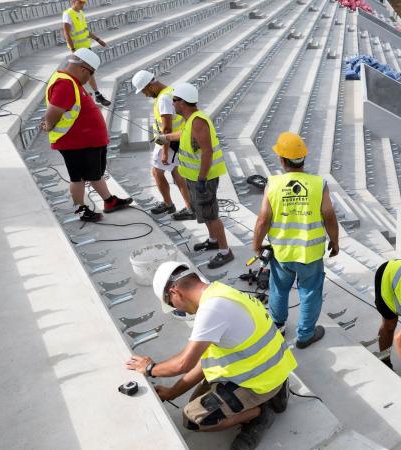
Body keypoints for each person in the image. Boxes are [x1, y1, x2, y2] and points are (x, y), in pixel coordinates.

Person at [127, 261, 297, 450]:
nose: (178, 310)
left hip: (260, 382)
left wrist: (151, 369)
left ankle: (260, 412)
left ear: (175, 292)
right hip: (271, 368)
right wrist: (172, 392)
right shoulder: (221, 291)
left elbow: (183, 364)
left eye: (172, 304)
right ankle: (275, 391)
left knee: (194, 419)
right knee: (197, 405)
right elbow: (203, 361)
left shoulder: (212, 309)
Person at [252, 132, 339, 349]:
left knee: (279, 289)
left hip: (282, 253)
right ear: (303, 158)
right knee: (310, 293)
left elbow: (263, 220)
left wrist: (256, 245)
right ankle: (305, 335)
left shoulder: (273, 184)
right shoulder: (319, 184)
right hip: (310, 254)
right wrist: (335, 241)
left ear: (282, 159)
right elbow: (329, 216)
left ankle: (278, 326)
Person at [41, 48, 132, 221]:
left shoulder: (71, 81)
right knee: (78, 178)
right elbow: (54, 111)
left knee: (94, 174)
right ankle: (81, 209)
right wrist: (49, 125)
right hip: (75, 143)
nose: (90, 79)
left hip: (86, 142)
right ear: (83, 69)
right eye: (90, 74)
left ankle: (109, 201)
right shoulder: (65, 84)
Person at [153, 82, 233, 268]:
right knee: (204, 212)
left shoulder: (198, 121)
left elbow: (207, 152)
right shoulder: (191, 120)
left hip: (203, 178)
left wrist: (202, 180)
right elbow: (184, 134)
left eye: (174, 101)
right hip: (194, 176)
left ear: (183, 102)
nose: (172, 104)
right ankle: (213, 241)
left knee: (211, 215)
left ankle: (225, 251)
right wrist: (166, 137)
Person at [131, 70, 194, 220]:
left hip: (169, 143)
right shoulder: (170, 91)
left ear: (150, 86)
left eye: (144, 91)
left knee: (156, 172)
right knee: (178, 174)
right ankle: (190, 208)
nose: (145, 95)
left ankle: (168, 204)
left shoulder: (164, 99)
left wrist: (165, 151)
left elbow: (167, 128)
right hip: (177, 141)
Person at [61, 0, 111, 106]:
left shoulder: (81, 13)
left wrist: (98, 39)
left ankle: (95, 95)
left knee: (90, 72)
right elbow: (66, 33)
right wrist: (73, 49)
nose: (82, 5)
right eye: (80, 2)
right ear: (73, 2)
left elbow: (85, 31)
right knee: (83, 74)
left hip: (86, 48)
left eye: (84, 3)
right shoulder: (68, 14)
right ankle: (93, 95)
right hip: (78, 51)